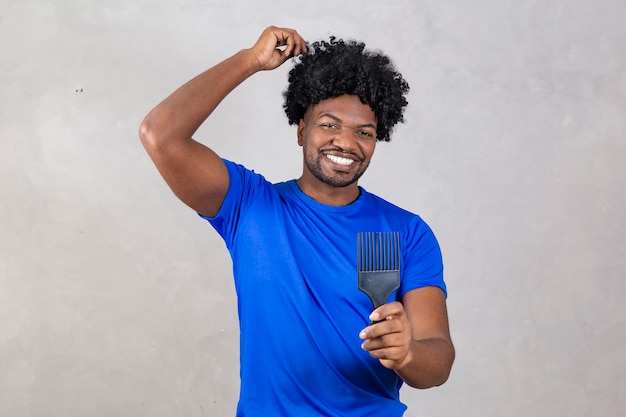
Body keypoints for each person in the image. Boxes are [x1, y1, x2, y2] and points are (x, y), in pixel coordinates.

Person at [139, 26, 454, 416]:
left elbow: (437, 362)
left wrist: (408, 354)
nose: (346, 142)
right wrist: (250, 60)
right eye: (329, 124)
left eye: (364, 132)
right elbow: (160, 135)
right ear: (302, 130)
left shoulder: (405, 232)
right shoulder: (248, 205)